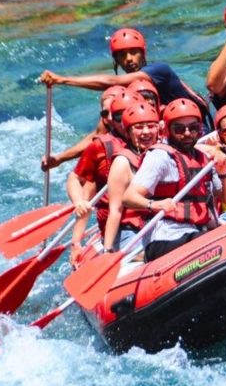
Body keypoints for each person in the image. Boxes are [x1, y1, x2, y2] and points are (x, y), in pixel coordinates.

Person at [123, 99, 226, 261]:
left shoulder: (205, 158)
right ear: (167, 130)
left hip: (199, 230)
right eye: (179, 129)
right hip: (165, 237)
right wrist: (155, 204)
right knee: (209, 242)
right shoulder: (159, 157)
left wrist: (224, 173)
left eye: (193, 128)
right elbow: (129, 197)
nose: (187, 134)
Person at [38, 27, 210, 132]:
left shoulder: (160, 71)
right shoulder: (124, 92)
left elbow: (112, 81)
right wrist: (59, 160)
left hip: (197, 130)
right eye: (122, 54)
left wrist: (63, 80)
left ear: (143, 53)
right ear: (116, 59)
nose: (128, 58)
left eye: (133, 52)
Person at [65, 89, 142, 265]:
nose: (124, 121)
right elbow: (77, 181)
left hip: (151, 219)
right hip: (121, 226)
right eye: (116, 116)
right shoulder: (100, 147)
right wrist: (76, 242)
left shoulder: (151, 136)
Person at [100, 101, 160, 256]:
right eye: (138, 127)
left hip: (162, 226)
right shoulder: (122, 163)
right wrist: (107, 250)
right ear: (127, 133)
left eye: (151, 126)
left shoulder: (164, 153)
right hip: (133, 231)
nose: (146, 132)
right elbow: (115, 210)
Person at [42, 85, 126, 171]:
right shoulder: (106, 121)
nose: (110, 117)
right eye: (105, 113)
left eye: (116, 113)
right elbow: (93, 139)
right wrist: (59, 158)